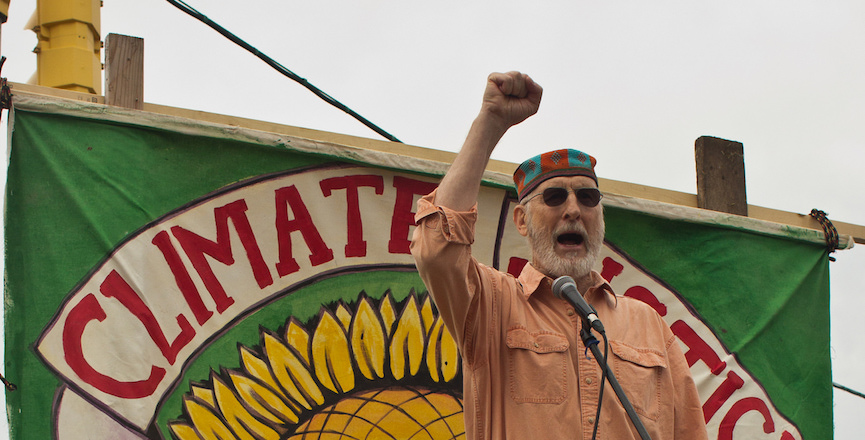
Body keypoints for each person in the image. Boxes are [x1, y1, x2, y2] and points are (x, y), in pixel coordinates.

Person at [410, 71, 708, 440]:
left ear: (600, 216)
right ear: (521, 219)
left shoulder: (648, 325)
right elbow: (438, 248)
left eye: (587, 198)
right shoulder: (493, 306)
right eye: (554, 198)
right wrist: (491, 120)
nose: (573, 210)